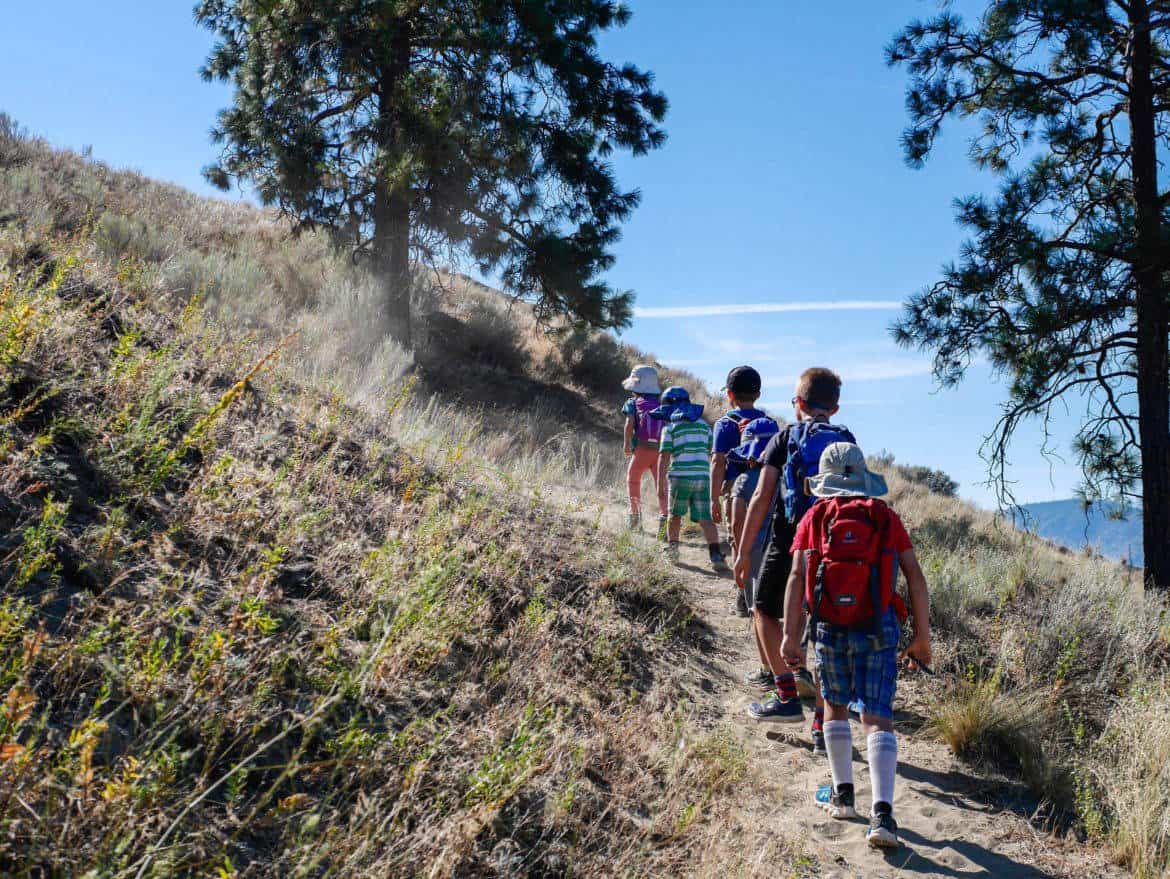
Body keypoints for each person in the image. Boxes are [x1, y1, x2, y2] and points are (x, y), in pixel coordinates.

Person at [780, 442, 931, 849]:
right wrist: (922, 638)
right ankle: (883, 814)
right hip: (878, 623)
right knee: (878, 717)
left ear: (825, 485)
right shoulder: (883, 516)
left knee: (835, 706)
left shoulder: (816, 515)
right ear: (864, 479)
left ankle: (843, 796)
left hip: (829, 624)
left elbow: (797, 577)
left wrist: (790, 636)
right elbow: (914, 576)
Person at [734, 368, 855, 751]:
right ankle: (823, 726)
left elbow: (761, 497)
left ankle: (786, 695)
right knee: (826, 633)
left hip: (789, 537)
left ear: (797, 404)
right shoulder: (847, 439)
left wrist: (741, 550)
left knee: (763, 611)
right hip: (836, 543)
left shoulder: (785, 437)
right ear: (834, 408)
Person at [710, 366, 769, 610]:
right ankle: (761, 593)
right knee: (762, 540)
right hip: (766, 487)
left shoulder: (725, 424)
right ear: (758, 394)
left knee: (737, 539)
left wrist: (713, 498)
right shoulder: (769, 424)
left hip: (736, 490)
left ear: (730, 394)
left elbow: (718, 462)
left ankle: (742, 594)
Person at [656, 388, 727, 570]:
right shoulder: (704, 426)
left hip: (680, 477)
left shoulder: (670, 428)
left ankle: (673, 551)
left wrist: (659, 483)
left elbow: (664, 456)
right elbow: (712, 453)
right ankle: (716, 555)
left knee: (675, 515)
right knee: (705, 519)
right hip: (702, 477)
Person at [620, 365, 667, 533]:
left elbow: (629, 424)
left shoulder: (632, 403)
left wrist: (626, 445)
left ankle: (635, 519)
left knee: (633, 480)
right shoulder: (661, 405)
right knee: (661, 485)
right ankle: (665, 520)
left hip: (641, 450)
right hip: (661, 452)